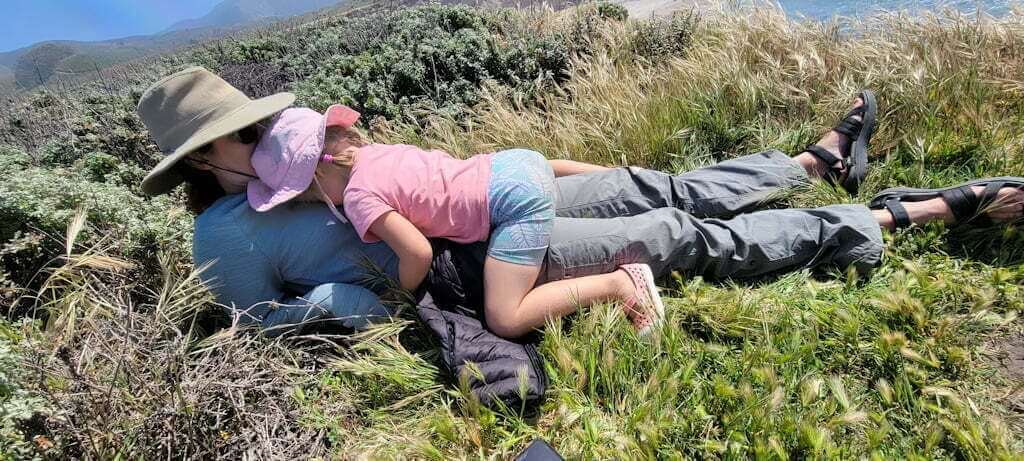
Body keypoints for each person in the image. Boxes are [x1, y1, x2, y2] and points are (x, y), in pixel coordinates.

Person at [135, 67, 1024, 336]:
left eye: (260, 124)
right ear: (203, 158)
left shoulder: (297, 158)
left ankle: (815, 163)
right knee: (673, 230)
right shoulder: (223, 238)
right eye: (244, 134)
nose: (265, 136)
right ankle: (906, 214)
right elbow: (284, 318)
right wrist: (375, 305)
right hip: (471, 255)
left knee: (654, 185)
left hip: (484, 195)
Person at [243, 106, 664, 338]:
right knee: (543, 170)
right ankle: (620, 175)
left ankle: (621, 285)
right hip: (516, 164)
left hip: (512, 205)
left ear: (317, 176)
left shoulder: (356, 196)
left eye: (309, 196)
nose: (318, 203)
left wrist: (402, 294)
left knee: (505, 316)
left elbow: (417, 251)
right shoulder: (379, 152)